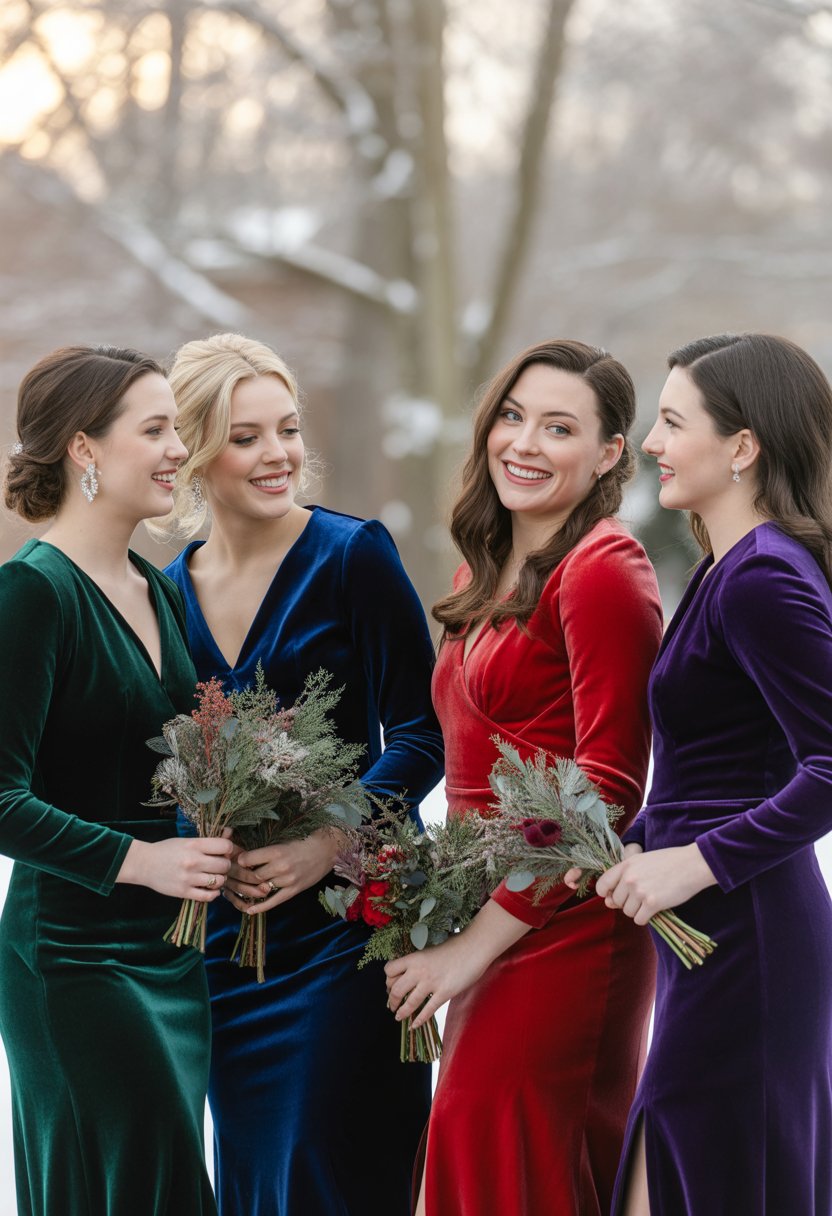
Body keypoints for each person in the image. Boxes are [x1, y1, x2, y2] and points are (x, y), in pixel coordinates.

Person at [160, 332, 444, 1216]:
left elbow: (424, 733)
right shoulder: (164, 593)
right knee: (254, 1183)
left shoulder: (354, 555)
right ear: (197, 452)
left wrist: (331, 841)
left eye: (286, 428)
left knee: (327, 1163)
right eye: (246, 437)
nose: (279, 454)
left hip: (343, 934)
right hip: (223, 951)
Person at [385, 339, 663, 1216]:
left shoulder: (604, 573)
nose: (525, 443)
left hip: (568, 929)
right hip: (489, 916)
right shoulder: (483, 566)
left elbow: (608, 787)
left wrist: (470, 948)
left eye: (559, 427)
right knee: (474, 1165)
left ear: (611, 452)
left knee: (510, 1163)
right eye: (513, 416)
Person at [578, 332, 832, 1216]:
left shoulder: (764, 578)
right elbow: (720, 768)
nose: (650, 442)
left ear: (743, 446)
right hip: (713, 936)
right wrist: (627, 842)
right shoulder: (728, 571)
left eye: (673, 421)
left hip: (750, 936)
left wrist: (700, 861)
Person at [0, 345, 234, 1216]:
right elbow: (0, 799)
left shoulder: (152, 586)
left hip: (170, 953)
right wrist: (144, 861)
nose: (180, 448)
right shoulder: (31, 595)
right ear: (84, 449)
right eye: (156, 430)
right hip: (71, 958)